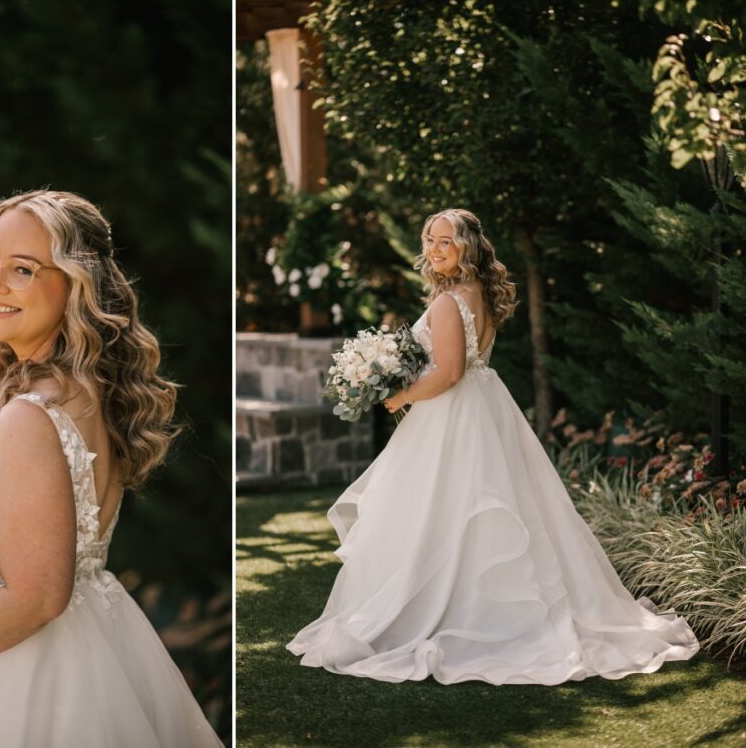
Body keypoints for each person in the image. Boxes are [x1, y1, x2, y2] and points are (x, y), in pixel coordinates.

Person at [287, 208, 699, 685]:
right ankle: (487, 605)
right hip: (485, 408)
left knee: (446, 509)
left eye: (446, 241)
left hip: (453, 415)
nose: (435, 250)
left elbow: (449, 373)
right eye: (430, 240)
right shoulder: (479, 293)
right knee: (483, 506)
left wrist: (399, 394)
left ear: (468, 247)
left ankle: (457, 614)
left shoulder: (447, 303)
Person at [0, 190, 223, 746]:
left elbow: (37, 597)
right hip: (94, 646)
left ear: (76, 285)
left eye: (24, 269)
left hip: (12, 674)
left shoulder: (29, 419)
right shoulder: (84, 397)